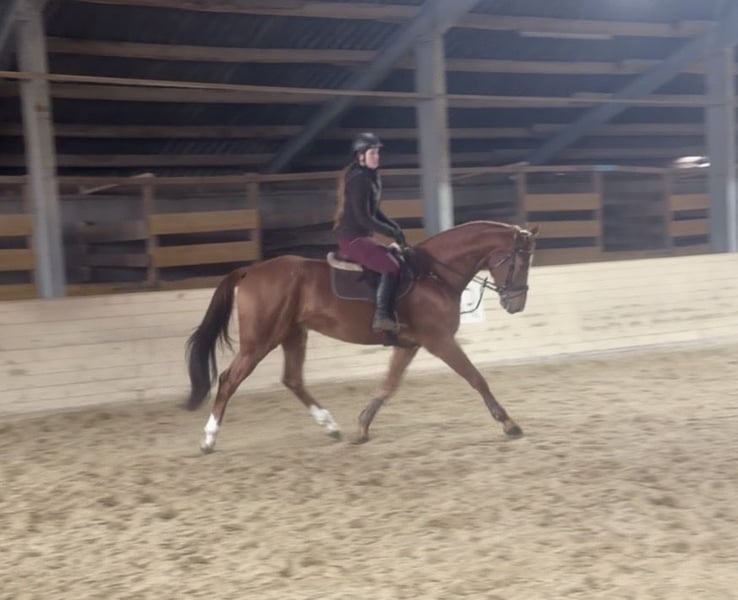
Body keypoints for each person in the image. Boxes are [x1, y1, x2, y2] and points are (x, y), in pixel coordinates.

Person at [333, 132, 407, 334]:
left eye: (377, 153)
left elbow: (374, 211)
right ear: (360, 156)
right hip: (353, 239)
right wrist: (390, 232)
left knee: (397, 258)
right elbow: (363, 218)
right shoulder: (359, 180)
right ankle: (381, 316)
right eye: (372, 153)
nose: (377, 157)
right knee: (391, 266)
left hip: (363, 236)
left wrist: (394, 227)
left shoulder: (371, 176)